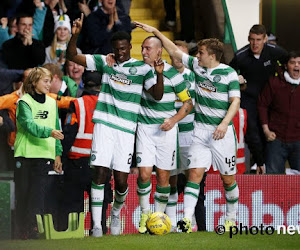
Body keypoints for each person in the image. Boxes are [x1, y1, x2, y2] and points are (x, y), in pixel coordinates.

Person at [135, 21, 241, 232]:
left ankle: (231, 218)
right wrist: (156, 31)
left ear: (212, 55)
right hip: (200, 132)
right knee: (194, 175)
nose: (197, 55)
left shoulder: (229, 73)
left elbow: (235, 102)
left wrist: (224, 124)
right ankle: (186, 219)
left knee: (228, 179)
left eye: (201, 52)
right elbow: (173, 50)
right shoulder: (197, 67)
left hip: (223, 133)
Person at [66, 14, 164, 237]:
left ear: (130, 47)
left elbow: (157, 96)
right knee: (99, 173)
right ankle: (97, 227)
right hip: (105, 126)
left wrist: (159, 76)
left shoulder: (142, 69)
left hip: (127, 130)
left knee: (121, 181)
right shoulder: (105, 62)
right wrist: (75, 35)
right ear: (113, 48)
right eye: (117, 49)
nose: (120, 53)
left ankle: (117, 211)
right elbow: (72, 55)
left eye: (124, 48)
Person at [135, 36, 193, 234]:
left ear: (159, 51)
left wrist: (174, 120)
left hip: (166, 132)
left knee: (163, 178)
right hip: (145, 128)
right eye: (142, 48)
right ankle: (144, 213)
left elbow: (188, 102)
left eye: (148, 48)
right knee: (143, 174)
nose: (143, 52)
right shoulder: (138, 70)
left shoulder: (173, 74)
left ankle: (157, 219)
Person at [229, 24, 288, 174]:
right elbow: (227, 73)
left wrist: (282, 80)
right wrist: (237, 81)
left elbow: (291, 62)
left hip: (270, 99)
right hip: (250, 98)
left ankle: (269, 164)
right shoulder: (240, 56)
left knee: (271, 130)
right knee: (252, 130)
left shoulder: (275, 52)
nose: (255, 44)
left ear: (265, 40)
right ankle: (258, 162)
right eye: (252, 40)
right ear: (249, 39)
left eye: (259, 40)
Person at [14, 67, 64, 239]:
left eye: (50, 81)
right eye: (45, 81)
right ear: (34, 82)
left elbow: (56, 129)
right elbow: (28, 125)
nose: (49, 85)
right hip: (25, 155)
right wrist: (49, 132)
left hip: (44, 155)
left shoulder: (52, 103)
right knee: (23, 194)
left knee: (38, 195)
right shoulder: (24, 102)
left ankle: (33, 229)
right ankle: (21, 230)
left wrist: (57, 154)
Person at [257, 51, 300, 174]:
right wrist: (266, 130)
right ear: (286, 66)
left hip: (298, 140)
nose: (296, 66)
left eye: (299, 63)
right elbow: (262, 105)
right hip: (276, 139)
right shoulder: (274, 83)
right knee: (274, 181)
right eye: (293, 63)